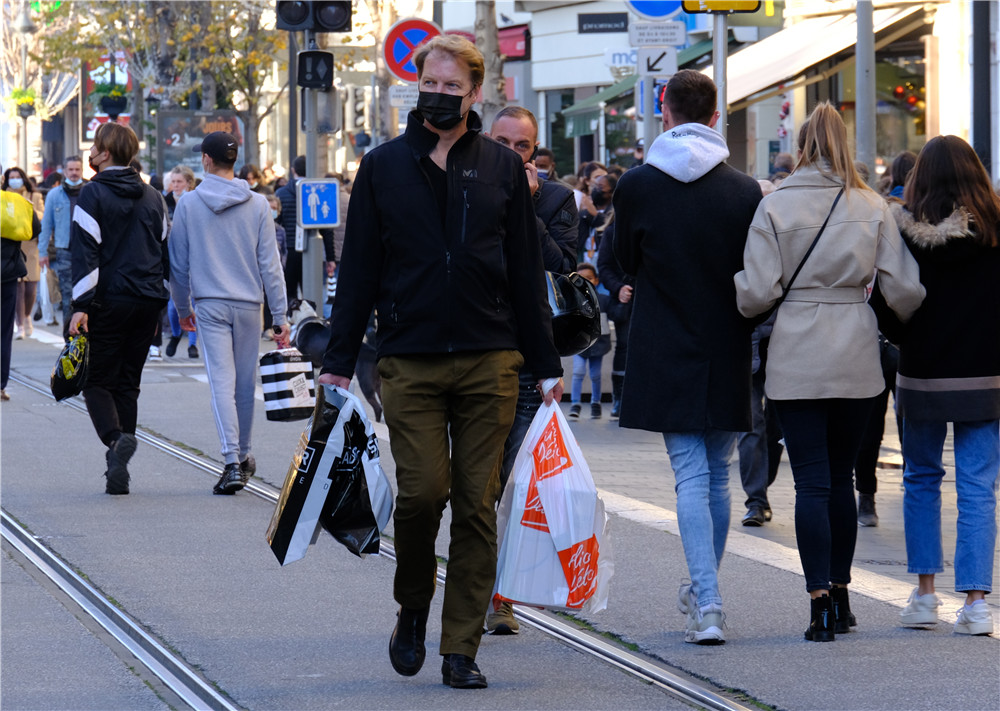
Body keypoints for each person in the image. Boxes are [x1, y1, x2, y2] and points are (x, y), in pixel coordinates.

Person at [318, 34, 562, 688]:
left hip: (491, 358)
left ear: (474, 93)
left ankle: (461, 647)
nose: (440, 94)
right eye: (431, 83)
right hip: (410, 356)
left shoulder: (502, 168)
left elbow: (525, 271)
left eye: (453, 86)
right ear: (417, 84)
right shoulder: (383, 166)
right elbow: (359, 268)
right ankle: (413, 606)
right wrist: (338, 359)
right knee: (423, 493)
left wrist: (545, 362)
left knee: (477, 505)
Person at [735, 103, 925, 642]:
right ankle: (842, 596)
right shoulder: (871, 204)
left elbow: (755, 294)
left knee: (811, 483)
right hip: (855, 350)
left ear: (800, 147)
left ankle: (818, 602)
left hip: (796, 350)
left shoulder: (774, 205)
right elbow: (905, 289)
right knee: (842, 479)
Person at [613, 69, 763, 645]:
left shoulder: (637, 186)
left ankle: (709, 601)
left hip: (664, 342)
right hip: (726, 342)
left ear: (665, 112)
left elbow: (624, 258)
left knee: (690, 476)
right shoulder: (744, 190)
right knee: (716, 475)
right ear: (715, 116)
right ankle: (705, 593)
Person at [876, 135, 1000, 636]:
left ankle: (926, 595)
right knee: (978, 486)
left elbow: (887, 301)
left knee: (921, 479)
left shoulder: (903, 231)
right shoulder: (995, 228)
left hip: (922, 372)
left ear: (920, 177)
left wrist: (906, 336)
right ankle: (976, 604)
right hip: (985, 374)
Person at [485, 104, 578, 635]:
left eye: (522, 146)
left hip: (531, 356)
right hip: (478, 350)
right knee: (480, 484)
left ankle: (501, 595)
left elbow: (561, 268)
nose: (512, 154)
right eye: (502, 143)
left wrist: (525, 204)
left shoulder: (557, 199)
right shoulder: (466, 184)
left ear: (535, 151)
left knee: (515, 486)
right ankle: (479, 584)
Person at [168, 131, 290, 495]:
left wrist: (183, 308)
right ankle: (245, 454)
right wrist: (280, 316)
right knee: (244, 383)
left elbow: (178, 265)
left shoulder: (189, 204)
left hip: (209, 304)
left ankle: (231, 460)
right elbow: (271, 265)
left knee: (221, 381)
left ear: (206, 160)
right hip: (250, 304)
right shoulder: (258, 204)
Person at [68, 122, 170, 495]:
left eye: (95, 146)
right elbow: (163, 252)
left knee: (96, 381)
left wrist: (80, 306)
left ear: (105, 153)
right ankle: (117, 470)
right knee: (128, 383)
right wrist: (161, 302)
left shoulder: (92, 193)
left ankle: (115, 440)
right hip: (148, 301)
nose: (90, 152)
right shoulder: (154, 196)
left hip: (108, 300)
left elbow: (85, 253)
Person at [39, 156, 87, 340]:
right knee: (68, 295)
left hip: (88, 251)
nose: (74, 173)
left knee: (88, 295)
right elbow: (46, 225)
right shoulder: (55, 195)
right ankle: (69, 338)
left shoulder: (89, 191)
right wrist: (42, 252)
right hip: (64, 250)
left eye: (77, 169)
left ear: (81, 171)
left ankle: (86, 336)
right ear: (65, 171)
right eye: (71, 169)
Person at [1, 165, 36, 401]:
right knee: (4, 330)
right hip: (7, 271)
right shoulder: (16, 202)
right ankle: (0, 384)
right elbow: (33, 230)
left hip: (8, 271)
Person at [2, 167, 43, 341]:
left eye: (17, 176)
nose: (14, 180)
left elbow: (41, 218)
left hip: (30, 246)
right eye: (11, 177)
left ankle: (26, 316)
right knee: (17, 287)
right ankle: (20, 324)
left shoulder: (34, 196)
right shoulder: (5, 197)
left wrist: (26, 208)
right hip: (12, 249)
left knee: (30, 287)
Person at [568, 262, 611, 420]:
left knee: (595, 374)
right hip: (578, 344)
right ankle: (575, 403)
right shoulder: (572, 300)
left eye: (589, 278)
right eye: (581, 278)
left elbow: (616, 314)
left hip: (598, 344)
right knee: (578, 372)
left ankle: (595, 403)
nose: (585, 281)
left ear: (596, 280)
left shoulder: (604, 300)